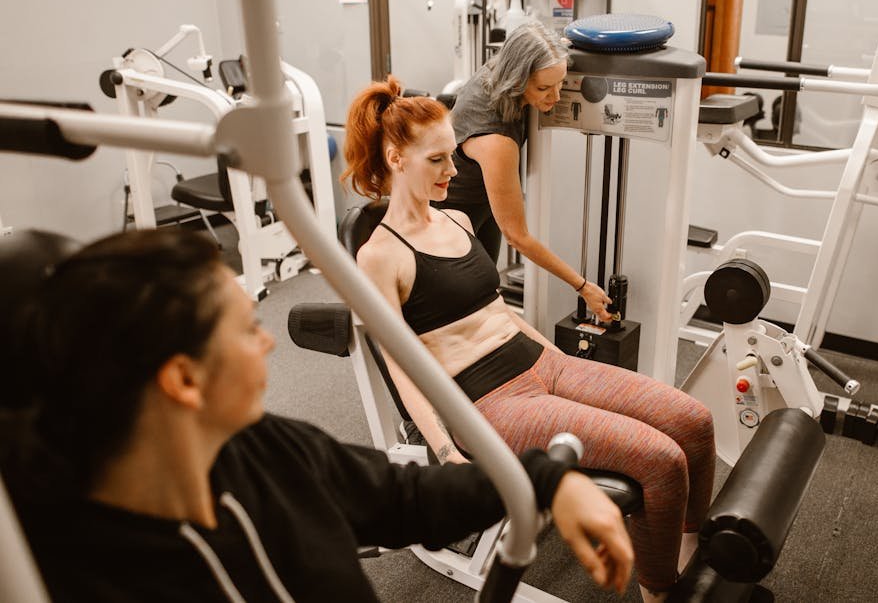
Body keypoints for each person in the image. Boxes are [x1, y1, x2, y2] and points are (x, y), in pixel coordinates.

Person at [0, 228, 633, 602]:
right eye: (249, 330)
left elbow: (405, 495)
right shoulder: (59, 567)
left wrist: (549, 481)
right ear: (184, 380)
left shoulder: (263, 450)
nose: (268, 341)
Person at [345, 77, 716, 602]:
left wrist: (562, 364)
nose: (454, 170)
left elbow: (497, 309)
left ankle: (692, 555)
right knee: (661, 458)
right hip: (489, 401)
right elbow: (400, 364)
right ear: (396, 158)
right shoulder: (380, 255)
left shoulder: (456, 220)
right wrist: (447, 451)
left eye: (454, 156)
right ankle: (660, 592)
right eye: (438, 160)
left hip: (543, 364)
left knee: (693, 422)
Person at [433, 20, 613, 322]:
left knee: (485, 290)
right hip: (447, 214)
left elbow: (547, 47)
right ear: (517, 79)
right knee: (456, 310)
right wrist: (582, 287)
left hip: (482, 204)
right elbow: (518, 236)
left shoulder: (505, 64)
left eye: (560, 83)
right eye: (544, 88)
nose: (555, 97)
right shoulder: (495, 140)